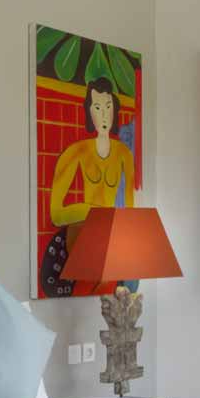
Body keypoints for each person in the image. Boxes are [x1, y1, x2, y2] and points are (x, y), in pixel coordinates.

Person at [39, 80, 135, 296]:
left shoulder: (124, 155)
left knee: (125, 289)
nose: (104, 115)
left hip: (110, 245)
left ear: (115, 109)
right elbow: (56, 214)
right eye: (97, 108)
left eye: (108, 107)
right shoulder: (76, 152)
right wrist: (95, 212)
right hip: (79, 242)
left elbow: (128, 213)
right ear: (89, 112)